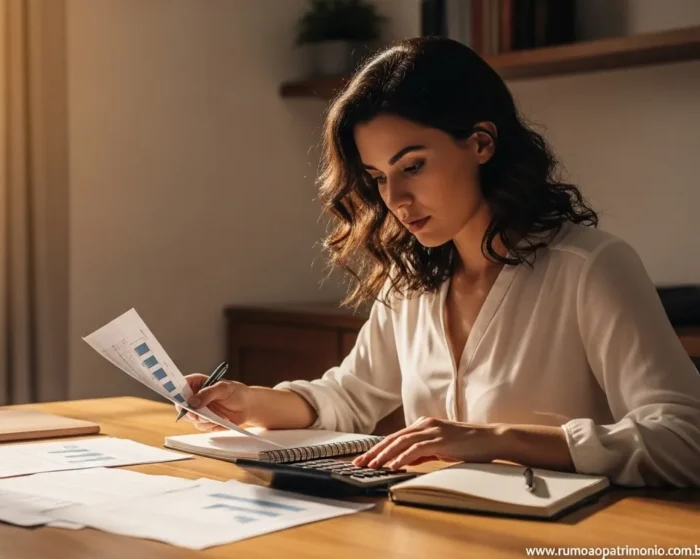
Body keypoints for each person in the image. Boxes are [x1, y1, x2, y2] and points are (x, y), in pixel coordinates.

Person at [182, 36, 700, 488]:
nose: (396, 198)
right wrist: (250, 403)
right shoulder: (412, 283)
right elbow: (349, 396)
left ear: (481, 143)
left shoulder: (590, 268)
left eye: (413, 165)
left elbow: (684, 440)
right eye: (379, 177)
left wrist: (494, 439)